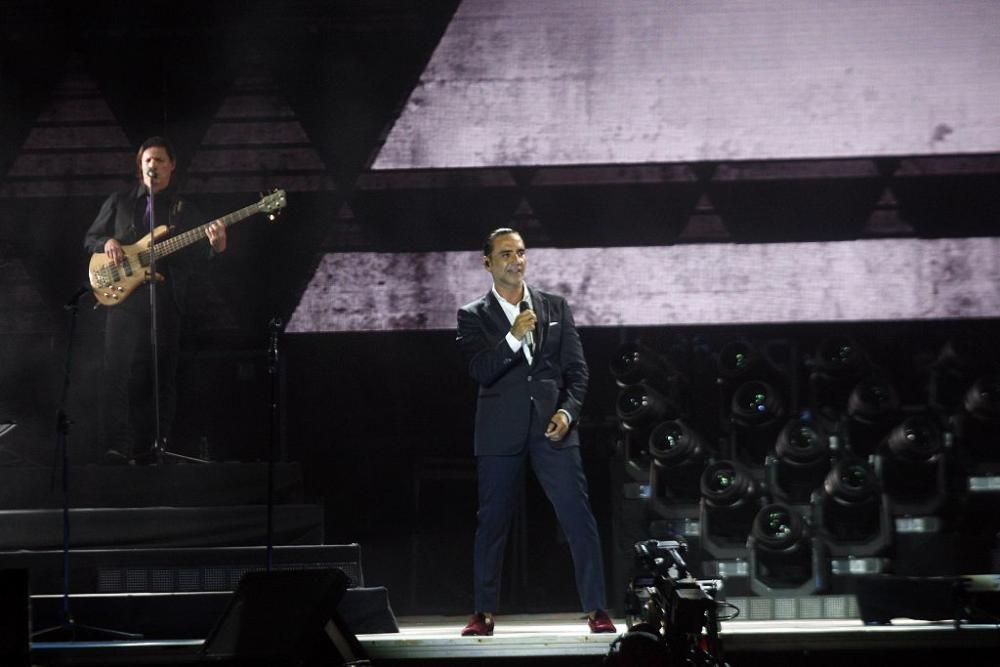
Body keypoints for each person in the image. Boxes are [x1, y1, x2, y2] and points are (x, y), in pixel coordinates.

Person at [456, 227, 617, 636]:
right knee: (492, 522)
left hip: (553, 430)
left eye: (522, 252)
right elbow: (480, 370)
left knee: (578, 516)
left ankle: (597, 607)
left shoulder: (555, 306)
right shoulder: (473, 315)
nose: (516, 260)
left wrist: (567, 412)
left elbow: (578, 372)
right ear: (487, 262)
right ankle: (483, 612)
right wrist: (513, 338)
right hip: (498, 431)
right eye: (506, 254)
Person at [83, 136, 227, 463]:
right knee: (116, 373)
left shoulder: (184, 210)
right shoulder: (119, 202)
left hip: (165, 298)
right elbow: (90, 238)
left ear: (172, 167)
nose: (154, 166)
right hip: (122, 300)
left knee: (162, 374)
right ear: (140, 166)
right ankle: (116, 446)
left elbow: (196, 258)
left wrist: (214, 249)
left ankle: (155, 444)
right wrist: (107, 242)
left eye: (160, 160)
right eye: (148, 160)